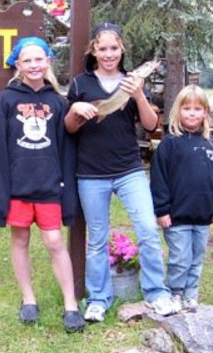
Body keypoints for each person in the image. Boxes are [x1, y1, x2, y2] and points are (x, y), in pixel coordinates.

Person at [64, 22, 178, 322]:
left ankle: (157, 293)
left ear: (122, 50)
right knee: (97, 240)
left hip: (129, 170)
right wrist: (76, 111)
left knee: (148, 231)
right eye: (102, 48)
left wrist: (139, 95)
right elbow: (69, 128)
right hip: (90, 173)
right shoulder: (80, 84)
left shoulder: (132, 82)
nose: (108, 53)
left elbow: (152, 125)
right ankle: (99, 298)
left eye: (114, 48)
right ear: (93, 51)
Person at [0, 36, 85, 333]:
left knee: (54, 242)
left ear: (48, 62)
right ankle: (28, 299)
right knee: (20, 240)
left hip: (48, 186)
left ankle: (70, 304)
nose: (33, 65)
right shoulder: (6, 99)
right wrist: (0, 191)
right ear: (18, 65)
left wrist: (64, 183)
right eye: (27, 60)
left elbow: (65, 146)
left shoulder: (57, 101)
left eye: (39, 59)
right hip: (18, 186)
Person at [149, 84, 213, 311]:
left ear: (205, 112)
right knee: (180, 258)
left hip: (203, 216)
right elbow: (159, 179)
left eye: (197, 108)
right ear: (178, 112)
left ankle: (190, 295)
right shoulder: (169, 144)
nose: (192, 113)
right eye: (187, 109)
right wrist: (162, 210)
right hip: (176, 217)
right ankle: (175, 292)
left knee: (196, 259)